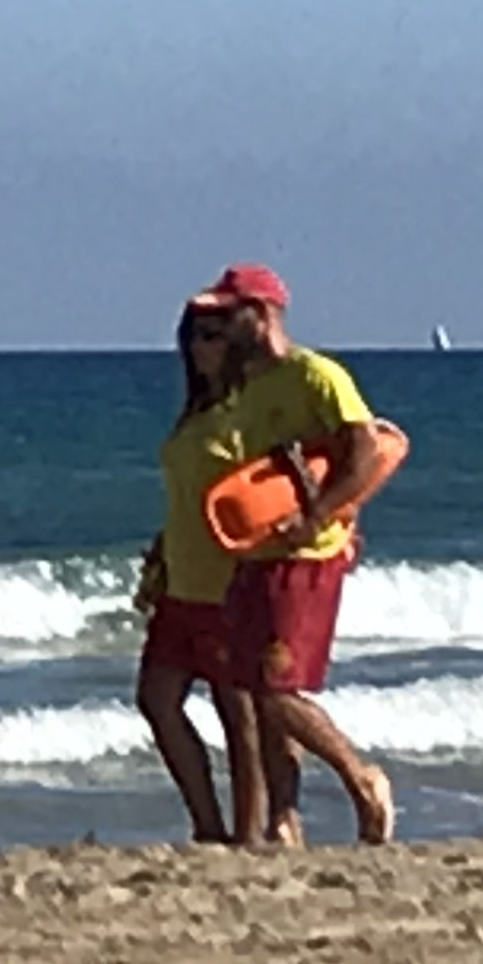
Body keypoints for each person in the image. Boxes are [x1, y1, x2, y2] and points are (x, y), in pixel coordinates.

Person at [189, 263, 397, 845]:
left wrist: (321, 515)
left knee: (273, 688)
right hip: (258, 553)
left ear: (262, 314)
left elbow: (363, 450)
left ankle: (362, 780)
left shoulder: (318, 375)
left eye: (231, 315)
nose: (222, 327)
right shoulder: (250, 386)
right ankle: (286, 817)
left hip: (308, 554)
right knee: (256, 684)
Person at [134, 301, 266, 844]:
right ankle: (207, 824)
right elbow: (187, 497)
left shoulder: (248, 411)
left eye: (213, 335)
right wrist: (161, 553)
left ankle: (249, 832)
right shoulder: (197, 411)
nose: (200, 347)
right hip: (181, 577)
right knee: (157, 699)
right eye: (193, 336)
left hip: (228, 580)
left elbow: (275, 492)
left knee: (238, 711)